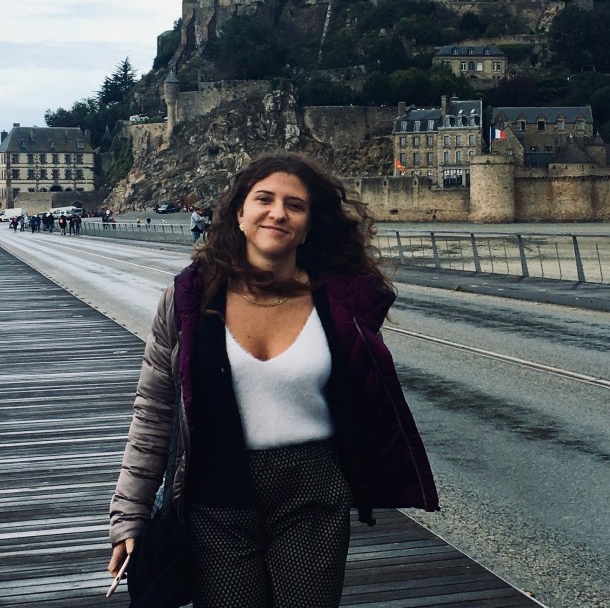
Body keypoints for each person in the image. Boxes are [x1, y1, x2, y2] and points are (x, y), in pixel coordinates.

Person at [108, 153, 437, 607]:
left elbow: (368, 401)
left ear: (308, 226)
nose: (278, 212)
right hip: (216, 492)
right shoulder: (188, 299)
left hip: (314, 492)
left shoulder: (341, 306)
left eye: (294, 205)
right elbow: (153, 413)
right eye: (264, 199)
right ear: (239, 214)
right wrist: (130, 516)